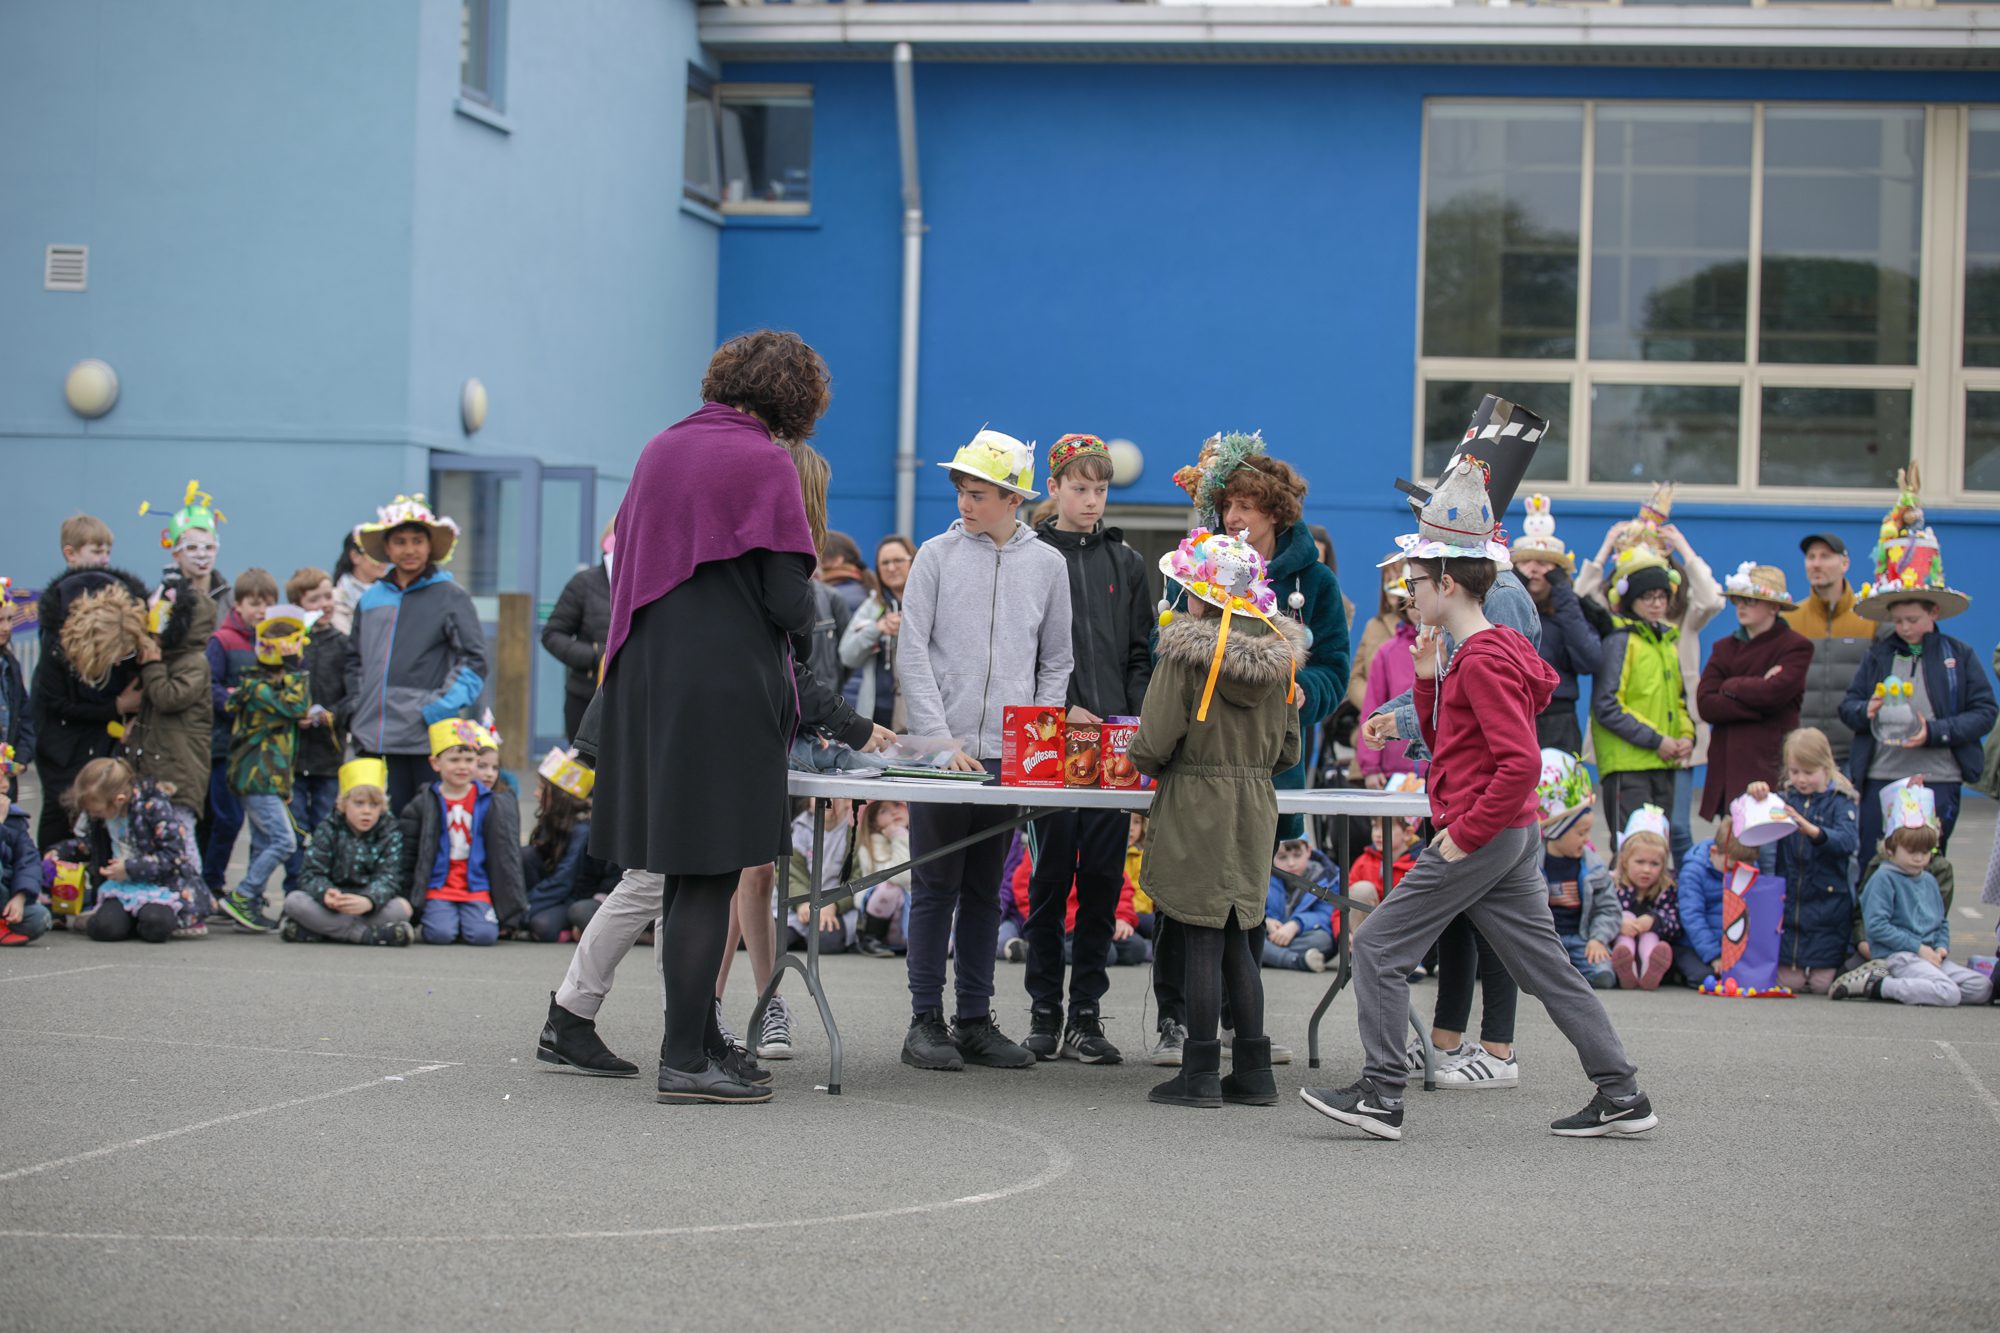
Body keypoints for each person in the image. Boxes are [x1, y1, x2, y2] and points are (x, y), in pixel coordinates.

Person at [1302, 456, 1655, 1141]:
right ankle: (1623, 1091)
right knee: (1550, 970)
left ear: (1448, 582)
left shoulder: (1488, 658)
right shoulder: (1473, 653)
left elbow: (1519, 764)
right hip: (1506, 834)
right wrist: (1430, 680)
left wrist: (1464, 833)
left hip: (1483, 833)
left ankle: (1380, 1094)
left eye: (1414, 581)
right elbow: (1449, 744)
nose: (1406, 593)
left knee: (1375, 947)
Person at [577, 329, 829, 1105]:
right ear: (793, 396)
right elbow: (788, 598)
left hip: (653, 680)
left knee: (684, 868)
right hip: (723, 688)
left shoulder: (661, 448)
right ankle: (686, 1057)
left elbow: (629, 561)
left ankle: (698, 1037)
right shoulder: (765, 460)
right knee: (709, 874)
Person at [1151, 431, 1349, 1067]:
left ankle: (1239, 1029)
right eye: (1227, 506)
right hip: (1197, 761)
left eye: (1246, 506)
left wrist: (1293, 694)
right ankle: (1176, 1022)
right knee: (1182, 894)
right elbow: (1173, 654)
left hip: (1267, 761)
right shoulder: (1198, 568)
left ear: (1274, 511)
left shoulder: (1312, 579)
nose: (1233, 518)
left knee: (1246, 892)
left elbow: (1336, 671)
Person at [895, 427, 1071, 1073]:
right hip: (942, 753)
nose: (966, 504)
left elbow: (1057, 660)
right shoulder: (935, 557)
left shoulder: (1048, 565)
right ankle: (924, 1019)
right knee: (933, 883)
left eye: (979, 494)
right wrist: (940, 741)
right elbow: (912, 652)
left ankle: (973, 1017)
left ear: (1011, 498)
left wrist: (1036, 736)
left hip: (1009, 756)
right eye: (963, 492)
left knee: (984, 890)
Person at [1130, 528, 1304, 1108]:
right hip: (1254, 806)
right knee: (1240, 935)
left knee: (1200, 935)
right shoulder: (1281, 662)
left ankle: (1199, 1070)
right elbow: (1288, 752)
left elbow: (1152, 744)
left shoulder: (1184, 656)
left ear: (1200, 597)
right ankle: (1253, 1071)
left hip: (1197, 800)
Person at [1021, 433, 1154, 1065]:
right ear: (1053, 488)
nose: (1091, 500)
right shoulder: (1029, 555)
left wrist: (1131, 723)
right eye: (1079, 488)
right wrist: (1055, 708)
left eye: (1100, 489)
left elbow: (1138, 654)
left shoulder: (1127, 564)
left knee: (1103, 880)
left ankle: (1087, 1015)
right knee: (1049, 879)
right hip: (1050, 741)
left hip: (1113, 742)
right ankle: (1044, 1010)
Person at [1838, 471, 1990, 861]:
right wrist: (1865, 710)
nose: (1904, 628)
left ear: (1934, 612)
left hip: (1939, 776)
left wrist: (1935, 732)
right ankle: (1871, 924)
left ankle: (1929, 923)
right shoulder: (1878, 654)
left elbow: (1985, 712)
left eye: (1913, 619)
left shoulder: (1958, 654)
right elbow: (1849, 707)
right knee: (1875, 861)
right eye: (1898, 620)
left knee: (1929, 861)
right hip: (1881, 774)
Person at [343, 495, 488, 815]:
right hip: (370, 733)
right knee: (373, 820)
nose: (409, 549)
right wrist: (355, 703)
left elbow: (475, 661)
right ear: (387, 547)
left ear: (430, 545)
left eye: (417, 541)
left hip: (424, 737)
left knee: (422, 823)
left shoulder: (450, 596)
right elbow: (353, 659)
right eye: (400, 541)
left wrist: (436, 709)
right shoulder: (371, 598)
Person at [118, 571, 216, 932]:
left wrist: (153, 664)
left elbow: (168, 697)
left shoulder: (193, 663)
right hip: (157, 765)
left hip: (180, 770)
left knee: (182, 840)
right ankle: (160, 901)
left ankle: (194, 906)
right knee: (155, 839)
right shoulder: (174, 660)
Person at [1834, 784, 1992, 1006]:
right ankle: (1879, 985)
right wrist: (1919, 949)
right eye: (1911, 851)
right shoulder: (1883, 878)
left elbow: (1941, 922)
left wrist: (1941, 947)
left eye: (1925, 852)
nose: (1919, 858)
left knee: (1981, 987)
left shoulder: (1928, 879)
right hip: (1898, 956)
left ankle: (1920, 987)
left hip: (1928, 954)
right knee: (1949, 992)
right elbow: (1877, 926)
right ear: (1890, 848)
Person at [30, 564, 148, 849]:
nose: (120, 662)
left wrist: (135, 717)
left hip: (111, 733)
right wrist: (117, 706)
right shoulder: (56, 642)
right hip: (63, 736)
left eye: (126, 654)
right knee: (63, 805)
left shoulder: (131, 623)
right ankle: (53, 881)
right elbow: (56, 703)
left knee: (105, 807)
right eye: (114, 656)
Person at [1590, 546, 1695, 845]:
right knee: (1630, 848)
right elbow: (1607, 705)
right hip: (1628, 764)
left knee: (1657, 849)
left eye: (1661, 597)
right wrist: (1657, 740)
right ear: (1630, 600)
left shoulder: (1667, 643)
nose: (1656, 604)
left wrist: (1687, 736)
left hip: (1664, 762)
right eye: (1647, 597)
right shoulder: (1620, 640)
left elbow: (1679, 700)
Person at [1696, 563, 1814, 823]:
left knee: (1772, 845)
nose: (1741, 606)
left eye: (1751, 600)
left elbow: (1775, 694)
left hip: (1770, 763)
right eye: (1739, 600)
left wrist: (1729, 687)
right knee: (1733, 847)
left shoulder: (1796, 647)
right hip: (1728, 763)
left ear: (1774, 607)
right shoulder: (1723, 647)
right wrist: (1757, 691)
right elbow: (1705, 704)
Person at [218, 606, 310, 933]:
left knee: (262, 842)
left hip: (267, 779)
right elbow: (297, 706)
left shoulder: (262, 688)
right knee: (285, 841)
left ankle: (249, 907)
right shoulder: (258, 688)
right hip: (258, 778)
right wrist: (293, 669)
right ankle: (243, 895)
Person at [1749, 727, 1859, 994]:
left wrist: (1814, 832)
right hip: (1793, 901)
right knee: (1792, 983)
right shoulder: (1784, 799)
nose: (1801, 779)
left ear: (1826, 767)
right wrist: (1757, 793)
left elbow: (1847, 841)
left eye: (1809, 773)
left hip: (1828, 901)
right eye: (1795, 772)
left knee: (1822, 984)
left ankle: (1835, 967)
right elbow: (1755, 818)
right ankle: (1797, 966)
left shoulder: (1841, 802)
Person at [399, 718, 523, 946]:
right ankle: (446, 917)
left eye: (469, 760)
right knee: (441, 935)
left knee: (484, 936)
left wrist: (511, 908)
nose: (462, 766)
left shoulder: (492, 803)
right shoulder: (423, 803)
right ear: (435, 763)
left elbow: (507, 856)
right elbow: (408, 854)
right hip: (439, 886)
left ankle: (467, 918)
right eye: (454, 760)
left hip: (476, 886)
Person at [56, 757, 200, 943]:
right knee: (105, 929)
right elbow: (88, 845)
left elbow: (173, 856)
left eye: (97, 811)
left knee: (157, 925)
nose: (93, 815)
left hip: (158, 886)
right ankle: (121, 918)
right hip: (121, 888)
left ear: (119, 800)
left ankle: (140, 919)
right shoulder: (102, 818)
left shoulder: (153, 808)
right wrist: (59, 852)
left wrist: (130, 868)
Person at [281, 758, 413, 945]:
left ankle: (322, 932)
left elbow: (389, 877)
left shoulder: (389, 832)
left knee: (403, 908)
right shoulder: (328, 829)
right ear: (342, 804)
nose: (366, 811)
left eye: (374, 805)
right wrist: (326, 893)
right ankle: (365, 935)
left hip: (367, 905)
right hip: (334, 904)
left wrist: (369, 900)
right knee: (294, 901)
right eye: (359, 804)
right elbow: (311, 873)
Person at [201, 567, 275, 896]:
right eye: (254, 603)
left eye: (267, 604)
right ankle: (211, 883)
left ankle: (247, 894)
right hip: (226, 745)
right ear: (239, 605)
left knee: (258, 826)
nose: (261, 611)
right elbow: (210, 686)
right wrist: (233, 701)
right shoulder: (223, 640)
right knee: (226, 818)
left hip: (258, 748)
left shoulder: (273, 641)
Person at [1510, 496, 1603, 753]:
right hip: (1513, 714)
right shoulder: (1503, 608)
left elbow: (1590, 660)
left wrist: (1565, 595)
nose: (1534, 569)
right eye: (1526, 562)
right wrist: (1515, 589)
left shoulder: (1570, 611)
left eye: (1543, 563)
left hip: (1560, 720)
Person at [1784, 533, 1877, 770]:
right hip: (1803, 754)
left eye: (1825, 556)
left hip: (1856, 751)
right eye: (1811, 556)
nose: (1816, 563)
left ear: (1844, 564)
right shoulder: (1789, 619)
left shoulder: (1871, 618)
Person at [283, 568, 346, 900]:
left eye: (327, 596)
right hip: (292, 756)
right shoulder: (290, 647)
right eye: (314, 599)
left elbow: (351, 697)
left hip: (328, 757)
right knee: (294, 830)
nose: (324, 604)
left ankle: (322, 892)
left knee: (325, 828)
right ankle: (294, 892)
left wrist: (329, 716)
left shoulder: (343, 645)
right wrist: (294, 713)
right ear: (298, 604)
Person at [520, 749, 610, 943]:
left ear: (560, 796)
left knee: (541, 925)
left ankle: (570, 928)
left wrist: (526, 906)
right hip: (558, 892)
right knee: (526, 855)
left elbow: (564, 880)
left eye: (541, 789)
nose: (535, 794)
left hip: (576, 896)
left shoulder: (583, 830)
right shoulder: (553, 819)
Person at [541, 521, 614, 743]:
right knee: (583, 771)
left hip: (634, 699)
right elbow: (553, 634)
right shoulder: (584, 583)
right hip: (585, 697)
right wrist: (596, 656)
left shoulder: (650, 586)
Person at [1539, 789, 1618, 991]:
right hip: (1545, 941)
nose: (1586, 839)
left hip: (1581, 939)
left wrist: (1598, 939)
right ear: (1557, 831)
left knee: (1604, 975)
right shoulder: (1533, 865)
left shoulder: (1594, 867)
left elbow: (1609, 909)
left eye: (1588, 832)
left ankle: (1566, 977)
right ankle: (1559, 975)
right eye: (1581, 833)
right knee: (1523, 971)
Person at [839, 535, 915, 728]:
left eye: (898, 560)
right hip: (876, 715)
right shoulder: (873, 606)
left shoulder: (929, 603)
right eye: (885, 563)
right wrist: (877, 628)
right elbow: (847, 655)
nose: (891, 568)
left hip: (917, 717)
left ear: (914, 561)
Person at [1674, 823, 1759, 988]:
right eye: (1730, 868)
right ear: (1713, 852)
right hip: (1692, 945)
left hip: (1731, 945)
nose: (1736, 876)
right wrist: (1714, 956)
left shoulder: (1751, 869)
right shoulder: (1694, 871)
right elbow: (1692, 917)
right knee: (1705, 977)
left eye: (1743, 871)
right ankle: (1675, 971)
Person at [1609, 812, 1681, 991]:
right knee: (1625, 916)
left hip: (1657, 952)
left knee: (1650, 934)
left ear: (1664, 865)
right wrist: (1618, 923)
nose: (1647, 870)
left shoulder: (1667, 888)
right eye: (1640, 862)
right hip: (1614, 950)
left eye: (1654, 864)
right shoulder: (1613, 885)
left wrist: (1654, 921)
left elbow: (1676, 922)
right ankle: (1627, 967)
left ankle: (1651, 967)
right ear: (1625, 861)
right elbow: (1598, 914)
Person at [1356, 583, 1420, 787]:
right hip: (1396, 770)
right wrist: (1371, 767)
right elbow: (1372, 707)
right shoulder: (1388, 652)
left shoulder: (1447, 646)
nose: (1418, 610)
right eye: (1411, 604)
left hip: (1440, 770)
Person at [1262, 838, 1336, 972]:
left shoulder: (1326, 876)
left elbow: (1327, 913)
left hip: (1303, 934)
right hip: (1270, 933)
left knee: (1323, 940)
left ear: (1309, 850)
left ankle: (1270, 956)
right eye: (1282, 857)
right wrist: (1265, 921)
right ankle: (1297, 961)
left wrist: (1297, 924)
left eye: (1297, 855)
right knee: (1251, 939)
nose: (1291, 863)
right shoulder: (1262, 876)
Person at [852, 799, 909, 958]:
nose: (894, 812)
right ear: (873, 821)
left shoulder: (920, 838)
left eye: (898, 806)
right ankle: (872, 938)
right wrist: (899, 836)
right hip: (884, 913)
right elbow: (901, 876)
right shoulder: (871, 846)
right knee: (889, 889)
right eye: (884, 810)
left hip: (910, 912)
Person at [0, 788, 49, 945]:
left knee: (39, 918)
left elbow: (28, 860)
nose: (4, 785)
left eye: (6, 779)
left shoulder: (13, 817)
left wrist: (20, 896)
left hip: (3, 895)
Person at [0, 583, 34, 806]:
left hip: (5, 776)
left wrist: (21, 756)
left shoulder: (10, 665)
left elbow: (26, 716)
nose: (5, 627)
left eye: (9, 619)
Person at [326, 532, 387, 637]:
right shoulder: (333, 599)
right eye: (374, 554)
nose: (383, 561)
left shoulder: (394, 593)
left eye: (385, 554)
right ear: (355, 556)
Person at [818, 531, 873, 621]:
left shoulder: (838, 593)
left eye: (821, 557)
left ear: (838, 560)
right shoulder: (859, 584)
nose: (817, 564)